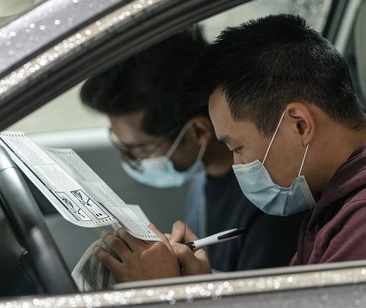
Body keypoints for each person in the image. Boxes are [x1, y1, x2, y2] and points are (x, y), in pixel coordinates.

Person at [92, 14, 366, 282]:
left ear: (299, 124)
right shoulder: (342, 200)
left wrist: (165, 295)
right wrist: (200, 285)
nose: (237, 166)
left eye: (237, 148)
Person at [80, 26, 305, 274]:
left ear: (197, 132)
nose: (130, 159)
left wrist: (167, 287)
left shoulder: (271, 201)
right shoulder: (203, 180)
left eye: (141, 149)